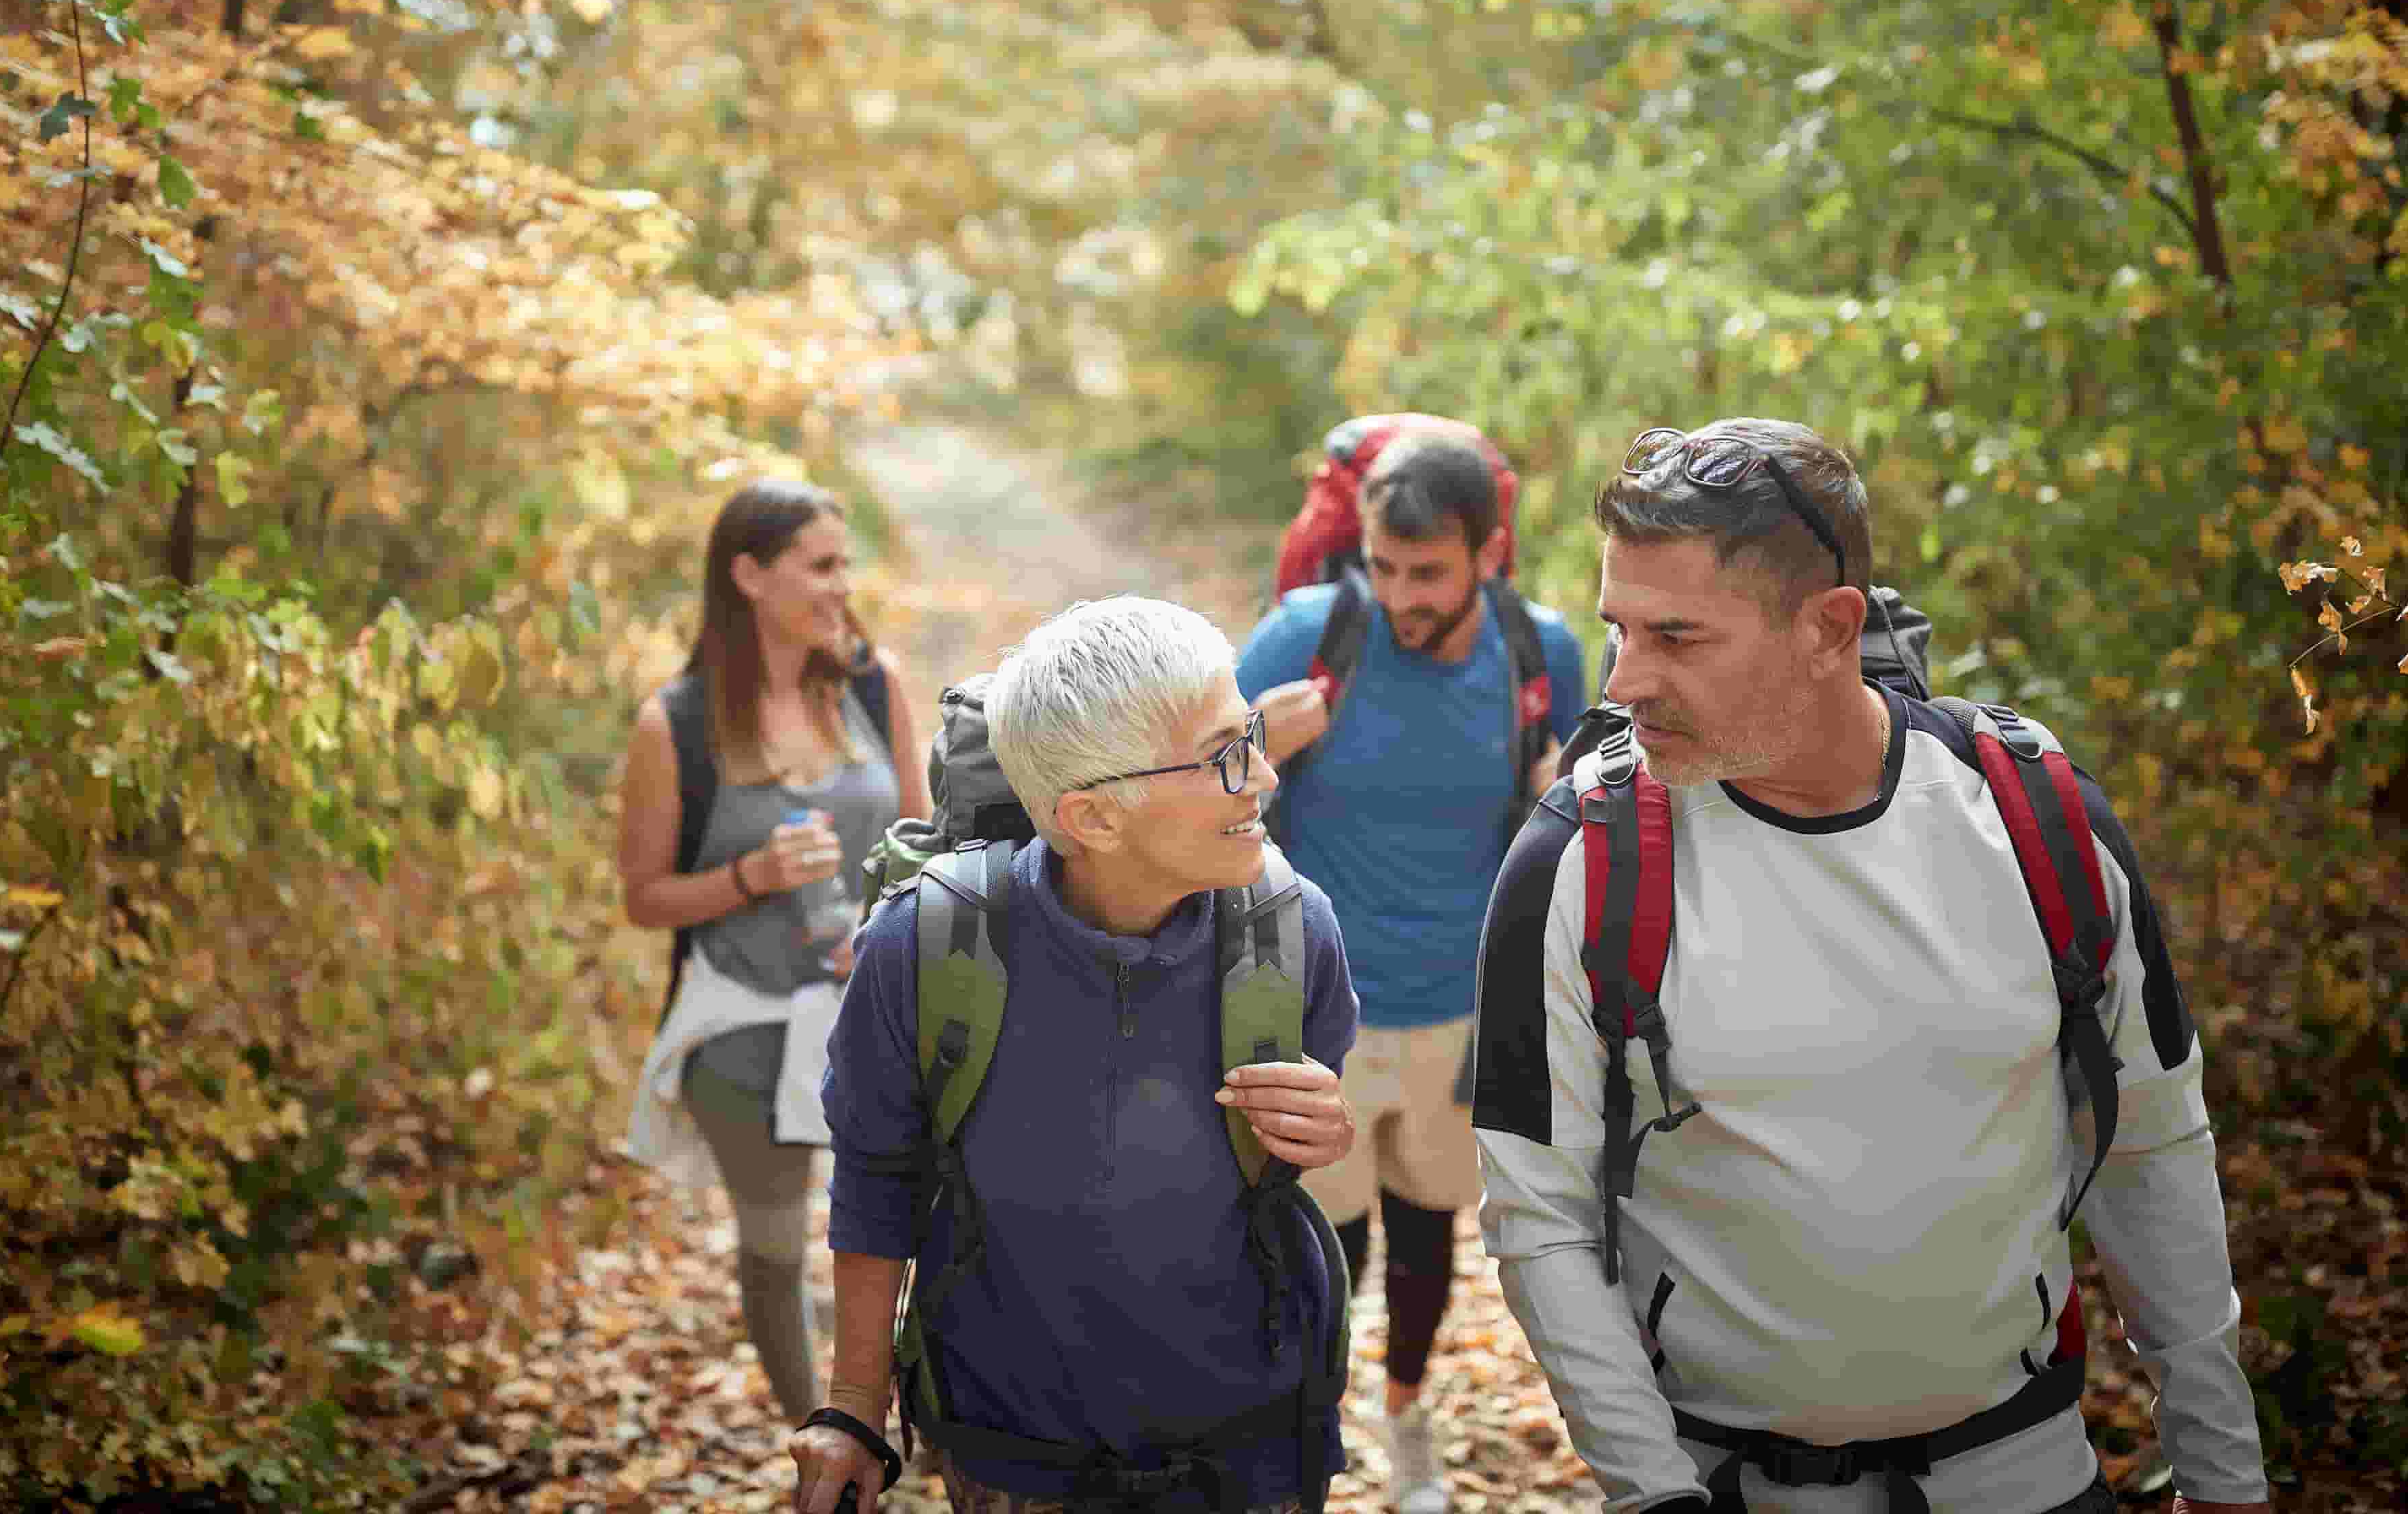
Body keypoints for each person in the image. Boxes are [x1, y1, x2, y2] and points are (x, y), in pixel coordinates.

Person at [1472, 418, 2271, 1514]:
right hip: (1724, 1490)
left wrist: (2225, 1468)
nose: (1625, 682)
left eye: (1678, 637)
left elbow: (2153, 1142)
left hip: (2029, 1475)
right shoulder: (1581, 861)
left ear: (1829, 626)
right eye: (1618, 628)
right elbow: (1539, 1217)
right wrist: (1652, 1496)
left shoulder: (2039, 826)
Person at [792, 596, 1362, 1514]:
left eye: (1251, 736)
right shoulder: (925, 951)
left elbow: (1279, 1168)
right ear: (1093, 818)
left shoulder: (1293, 935)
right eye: (1225, 754)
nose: (1264, 775)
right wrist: (855, 1406)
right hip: (1012, 1453)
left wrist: (1323, 1130)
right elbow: (876, 1174)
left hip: (1253, 1448)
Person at [1235, 430, 1589, 1514]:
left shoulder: (1543, 654)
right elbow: (1185, 787)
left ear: (1487, 552)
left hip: (1462, 1011)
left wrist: (1556, 792)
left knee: (1429, 1229)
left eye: (1426, 573)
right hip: (1319, 1012)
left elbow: (1572, 820)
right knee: (1324, 1245)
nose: (1399, 598)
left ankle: (1404, 1415)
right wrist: (1256, 735)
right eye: (1383, 569)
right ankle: (1315, 1429)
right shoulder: (1310, 634)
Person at [618, 478, 929, 1421]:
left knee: (915, 1229)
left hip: (878, 1012)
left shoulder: (875, 686)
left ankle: (914, 1417)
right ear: (749, 575)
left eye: (846, 564)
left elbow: (924, 843)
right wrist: (751, 876)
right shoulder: (672, 724)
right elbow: (644, 898)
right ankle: (827, 1447)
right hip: (743, 1023)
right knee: (775, 1248)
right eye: (821, 565)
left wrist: (880, 925)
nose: (843, 586)